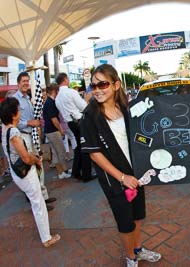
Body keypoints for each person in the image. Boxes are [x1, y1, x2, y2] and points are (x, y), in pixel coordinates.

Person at [80, 64, 161, 267]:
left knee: (137, 216)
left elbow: (138, 137)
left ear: (116, 85)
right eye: (93, 85)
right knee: (125, 223)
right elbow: (95, 155)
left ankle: (138, 249)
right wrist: (122, 177)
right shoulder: (89, 116)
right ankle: (130, 258)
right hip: (115, 180)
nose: (97, 90)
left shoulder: (126, 108)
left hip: (137, 174)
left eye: (103, 84)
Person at [0, 97, 61, 247]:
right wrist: (37, 159)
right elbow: (26, 158)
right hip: (25, 173)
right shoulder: (13, 132)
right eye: (18, 110)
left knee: (37, 202)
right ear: (13, 115)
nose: (20, 112)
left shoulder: (4, 128)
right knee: (38, 204)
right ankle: (46, 238)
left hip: (17, 172)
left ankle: (45, 235)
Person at [13, 72, 56, 208]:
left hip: (33, 136)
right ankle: (37, 201)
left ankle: (43, 196)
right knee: (32, 167)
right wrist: (30, 123)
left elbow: (35, 118)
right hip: (23, 136)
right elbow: (14, 122)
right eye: (23, 81)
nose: (26, 83)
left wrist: (36, 126)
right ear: (18, 83)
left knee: (39, 164)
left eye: (27, 81)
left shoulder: (28, 98)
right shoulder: (15, 100)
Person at [55, 73, 95, 182]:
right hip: (79, 121)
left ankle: (76, 171)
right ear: (65, 80)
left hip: (70, 123)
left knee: (79, 146)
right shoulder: (71, 92)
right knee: (85, 146)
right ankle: (86, 175)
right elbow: (83, 107)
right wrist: (86, 99)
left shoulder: (57, 98)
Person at [42, 84, 71, 179]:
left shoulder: (48, 102)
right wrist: (61, 130)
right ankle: (64, 171)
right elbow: (54, 119)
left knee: (56, 153)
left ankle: (61, 172)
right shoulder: (50, 103)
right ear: (55, 91)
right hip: (53, 131)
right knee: (60, 151)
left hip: (49, 131)